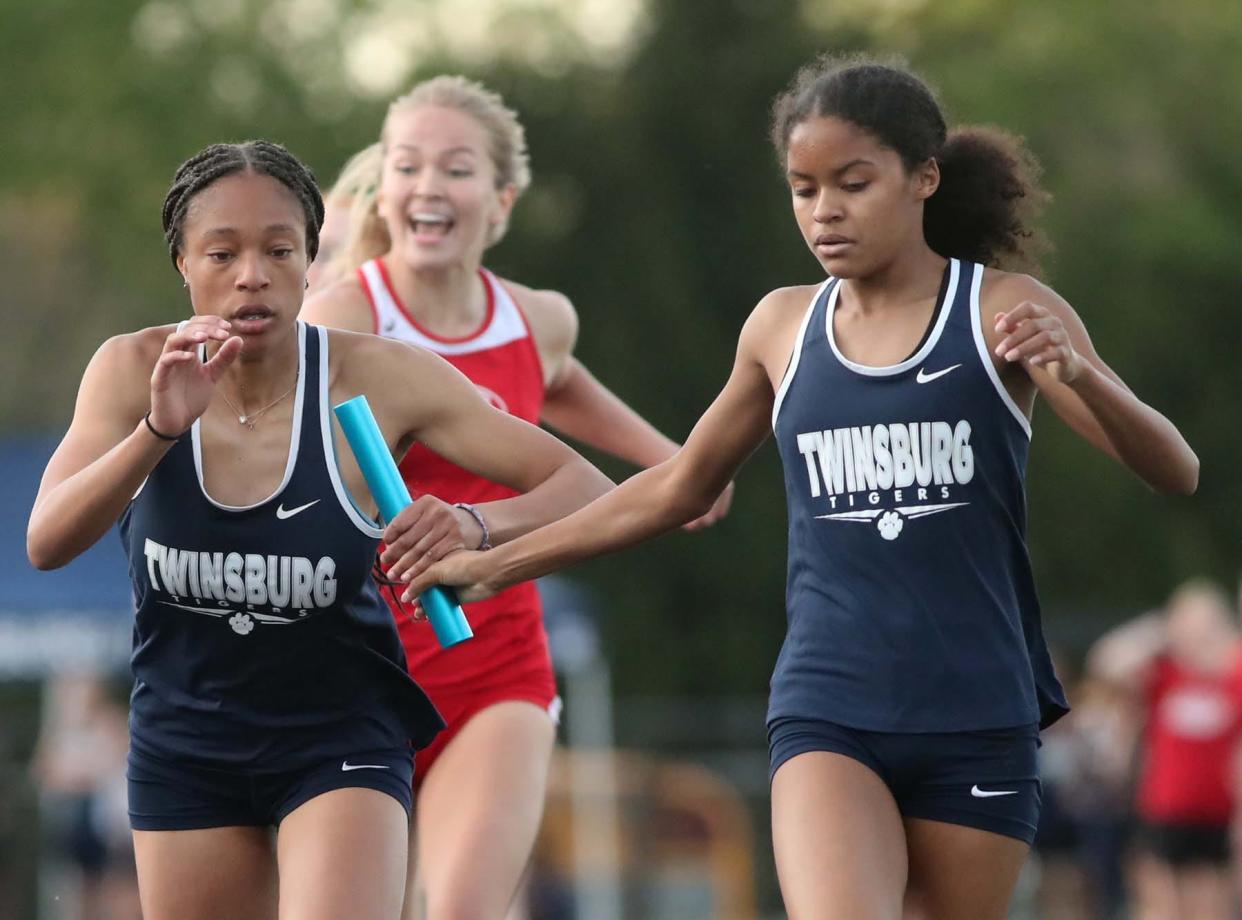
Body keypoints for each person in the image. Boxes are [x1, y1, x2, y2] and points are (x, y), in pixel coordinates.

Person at [404, 55, 1200, 920]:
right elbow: (674, 489)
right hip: (831, 706)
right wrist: (497, 556)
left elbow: (1174, 469)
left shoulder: (998, 311)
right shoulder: (782, 326)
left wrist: (1079, 374)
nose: (824, 212)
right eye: (803, 188)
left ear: (923, 178)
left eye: (853, 184)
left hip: (977, 715)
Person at [26, 139, 612, 920]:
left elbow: (585, 486)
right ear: (182, 263)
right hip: (186, 743)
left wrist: (476, 523)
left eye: (279, 250)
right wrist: (156, 433)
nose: (252, 276)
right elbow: (47, 543)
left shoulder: (377, 375)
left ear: (311, 262)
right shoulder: (133, 372)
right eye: (223, 252)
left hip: (337, 738)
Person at [300, 75, 733, 920]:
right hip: (354, 670)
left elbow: (554, 386)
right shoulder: (342, 317)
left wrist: (673, 467)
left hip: (494, 666)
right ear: (384, 189)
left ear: (499, 201)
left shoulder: (539, 318)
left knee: (464, 908)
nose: (428, 186)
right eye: (406, 164)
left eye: (455, 169)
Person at [1092, 582, 1242, 920]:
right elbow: (1106, 660)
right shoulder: (1165, 674)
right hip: (1165, 808)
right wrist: (1159, 629)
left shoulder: (1233, 676)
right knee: (1161, 903)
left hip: (1216, 811)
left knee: (1212, 905)